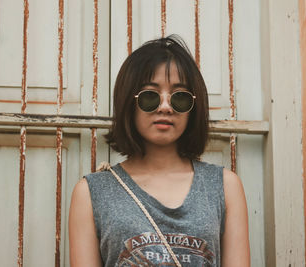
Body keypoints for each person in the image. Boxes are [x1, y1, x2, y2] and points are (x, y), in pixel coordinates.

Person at [69, 35, 250, 267]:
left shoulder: (224, 186)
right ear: (128, 103)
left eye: (180, 98)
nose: (165, 107)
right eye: (149, 96)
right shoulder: (91, 193)